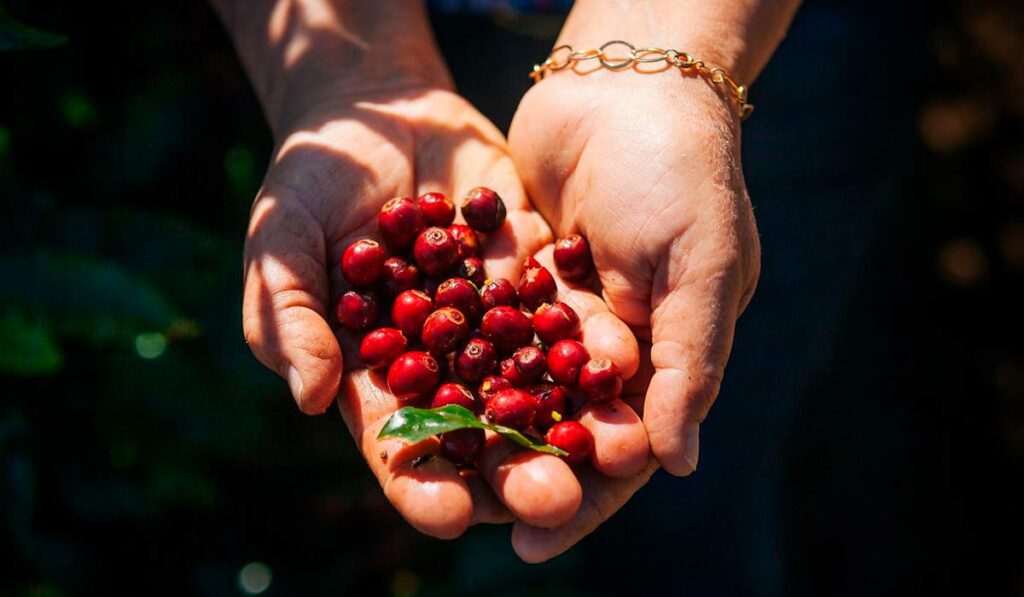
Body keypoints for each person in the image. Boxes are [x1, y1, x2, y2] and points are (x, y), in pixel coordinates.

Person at [210, 0, 800, 562]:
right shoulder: (469, 311)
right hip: (406, 33)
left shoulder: (484, 320)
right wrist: (351, 82)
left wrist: (666, 73)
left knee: (712, 427)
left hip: (736, 32)